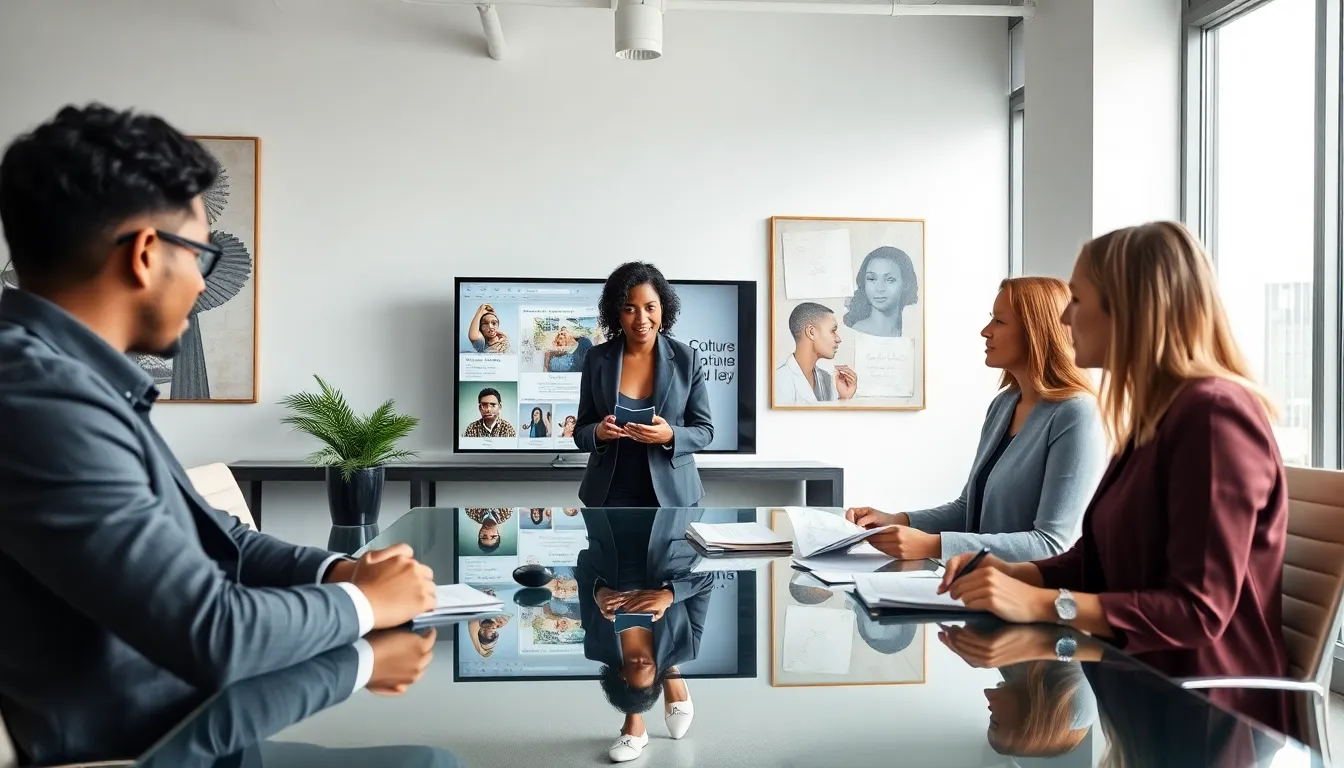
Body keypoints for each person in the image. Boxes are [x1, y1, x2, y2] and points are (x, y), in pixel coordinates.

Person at [0, 104, 438, 763]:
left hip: (199, 724)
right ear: (147, 254)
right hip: (148, 748)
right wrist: (363, 604)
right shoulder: (36, 397)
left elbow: (218, 535)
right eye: (202, 253)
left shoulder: (70, 379)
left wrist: (338, 568)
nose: (205, 279)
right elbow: (215, 633)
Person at [938, 221, 1292, 732]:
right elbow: (1098, 558)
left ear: (1130, 311)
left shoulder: (1214, 416)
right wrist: (1020, 573)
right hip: (1135, 687)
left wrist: (1043, 602)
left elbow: (1198, 611)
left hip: (1207, 714)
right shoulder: (1156, 417)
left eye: (1077, 299)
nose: (1063, 315)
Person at [846, 277, 1107, 561]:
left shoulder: (1077, 413)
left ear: (1036, 331)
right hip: (982, 588)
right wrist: (898, 520)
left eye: (999, 321)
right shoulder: (1004, 404)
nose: (986, 331)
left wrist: (934, 546)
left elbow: (1050, 545)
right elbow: (967, 509)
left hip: (1029, 598)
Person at [573, 262, 714, 508]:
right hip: (608, 495)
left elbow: (705, 430)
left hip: (674, 496)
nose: (641, 319)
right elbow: (581, 431)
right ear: (616, 313)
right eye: (629, 309)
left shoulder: (686, 359)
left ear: (663, 308)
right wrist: (598, 433)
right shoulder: (596, 359)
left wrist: (670, 435)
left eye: (650, 307)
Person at [577, 509, 707, 763]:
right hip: (669, 524)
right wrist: (669, 595)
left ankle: (633, 721)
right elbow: (706, 580)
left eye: (632, 664)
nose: (638, 661)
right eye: (646, 664)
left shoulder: (597, 645)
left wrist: (598, 591)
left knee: (633, 690)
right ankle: (669, 673)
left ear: (618, 670)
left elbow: (583, 569)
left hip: (610, 517)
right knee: (652, 672)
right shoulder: (686, 645)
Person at [773, 301, 857, 405]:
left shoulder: (826, 379)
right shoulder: (779, 380)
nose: (838, 339)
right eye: (833, 331)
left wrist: (844, 399)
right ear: (811, 332)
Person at [842, 246, 919, 337]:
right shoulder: (853, 333)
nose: (879, 288)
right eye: (871, 279)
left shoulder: (913, 333)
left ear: (905, 284)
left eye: (890, 280)